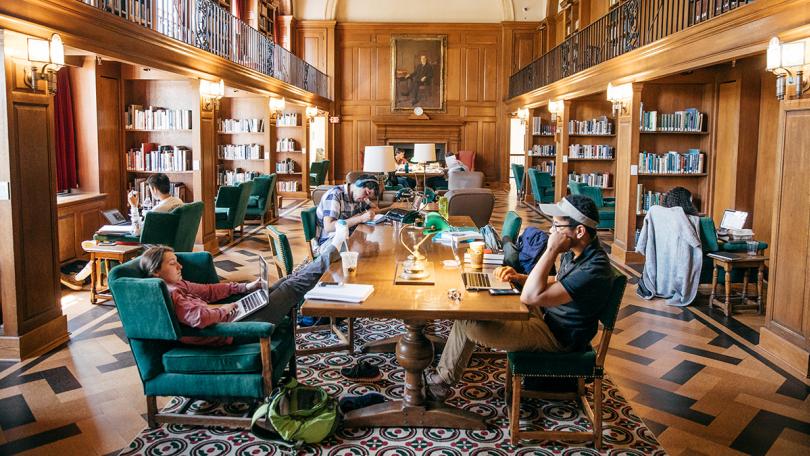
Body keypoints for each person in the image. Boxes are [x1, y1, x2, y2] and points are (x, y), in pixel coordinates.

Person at [426, 194, 616, 400]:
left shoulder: (594, 268)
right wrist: (519, 276)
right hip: (545, 316)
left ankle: (442, 383)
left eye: (557, 227)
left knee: (468, 318)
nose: (551, 231)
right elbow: (559, 280)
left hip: (557, 337)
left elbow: (530, 297)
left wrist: (551, 250)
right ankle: (444, 375)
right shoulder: (579, 251)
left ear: (579, 231)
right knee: (477, 301)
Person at [139, 223, 351, 346]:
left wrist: (245, 288)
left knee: (285, 281)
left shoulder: (178, 284)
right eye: (173, 263)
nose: (180, 267)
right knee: (290, 288)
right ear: (156, 271)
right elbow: (200, 317)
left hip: (234, 318)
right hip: (231, 330)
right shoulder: (171, 293)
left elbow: (210, 291)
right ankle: (331, 250)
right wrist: (225, 310)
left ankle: (329, 253)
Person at [61, 173, 185, 290]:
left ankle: (79, 277)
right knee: (105, 245)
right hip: (165, 242)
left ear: (154, 190)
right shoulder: (179, 203)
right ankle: (92, 248)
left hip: (150, 246)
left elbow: (136, 232)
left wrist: (134, 207)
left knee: (106, 247)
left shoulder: (156, 211)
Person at [635, 186, 703, 305]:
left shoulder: (657, 213)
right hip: (679, 261)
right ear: (686, 202)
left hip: (661, 260)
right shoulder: (691, 220)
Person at [315, 174, 380, 248]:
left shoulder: (360, 196)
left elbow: (376, 209)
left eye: (368, 196)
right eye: (366, 193)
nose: (366, 198)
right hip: (329, 242)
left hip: (348, 236)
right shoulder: (335, 195)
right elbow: (329, 227)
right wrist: (360, 218)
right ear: (358, 184)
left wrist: (368, 213)